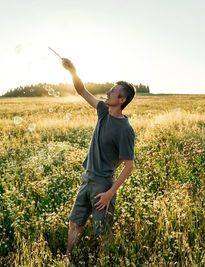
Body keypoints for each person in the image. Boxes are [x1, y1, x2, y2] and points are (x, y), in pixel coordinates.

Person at [62, 58, 136, 260]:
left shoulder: (125, 130)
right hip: (87, 180)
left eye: (113, 91)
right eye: (110, 89)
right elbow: (82, 91)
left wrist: (109, 193)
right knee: (75, 223)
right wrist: (73, 71)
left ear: (122, 100)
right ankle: (68, 259)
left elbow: (129, 165)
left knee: (103, 233)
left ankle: (104, 262)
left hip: (103, 185)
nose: (108, 92)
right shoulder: (102, 111)